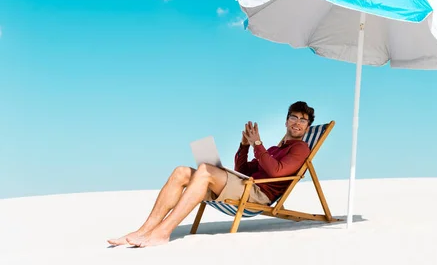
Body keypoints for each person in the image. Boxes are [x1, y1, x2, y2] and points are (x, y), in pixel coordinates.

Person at [107, 101, 315, 247]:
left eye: (303, 121)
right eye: (293, 117)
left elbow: (276, 171)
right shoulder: (273, 150)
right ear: (286, 121)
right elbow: (243, 170)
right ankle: (143, 230)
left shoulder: (300, 149)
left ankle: (162, 232)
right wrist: (244, 146)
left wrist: (257, 144)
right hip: (245, 186)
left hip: (257, 194)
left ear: (307, 128)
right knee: (181, 171)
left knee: (205, 171)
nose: (297, 123)